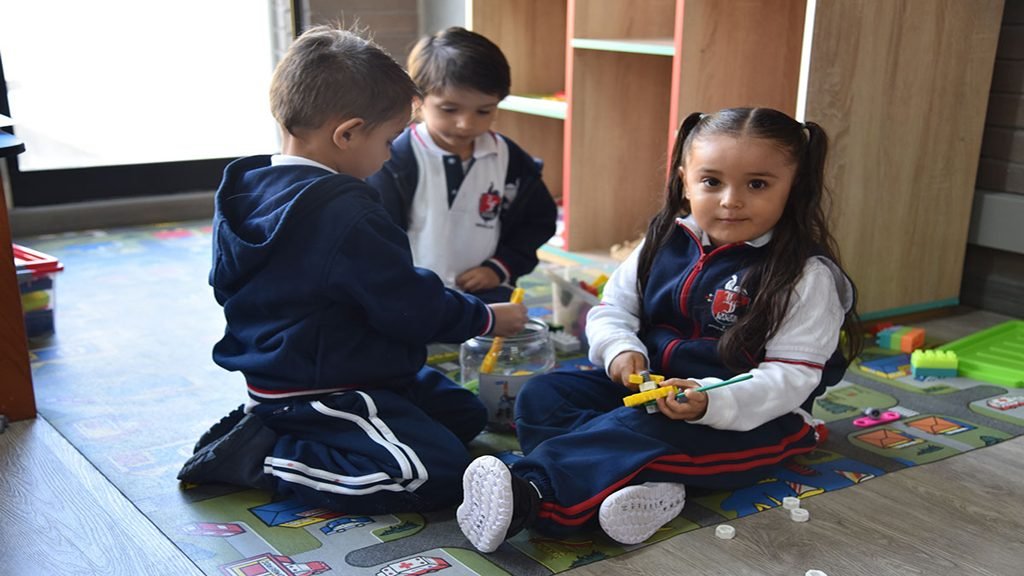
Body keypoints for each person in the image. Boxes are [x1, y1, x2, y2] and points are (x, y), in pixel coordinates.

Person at [456, 107, 864, 552]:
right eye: (712, 182)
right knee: (544, 396)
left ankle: (534, 497)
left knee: (635, 429)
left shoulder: (807, 276)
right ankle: (637, 489)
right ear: (685, 180)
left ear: (795, 188)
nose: (731, 200)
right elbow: (613, 309)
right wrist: (619, 350)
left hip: (755, 420)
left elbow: (791, 377)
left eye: (758, 184)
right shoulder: (664, 239)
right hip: (651, 393)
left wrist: (712, 399)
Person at [176, 25, 528, 515]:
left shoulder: (251, 184)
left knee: (463, 414)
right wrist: (486, 318)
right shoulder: (345, 213)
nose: (390, 154)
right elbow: (408, 305)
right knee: (435, 474)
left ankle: (277, 421)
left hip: (337, 366)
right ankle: (267, 456)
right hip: (324, 388)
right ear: (346, 134)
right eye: (388, 140)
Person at [366, 27, 558, 304]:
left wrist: (500, 267)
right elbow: (376, 237)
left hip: (483, 290)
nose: (466, 124)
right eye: (449, 109)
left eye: (484, 111)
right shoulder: (395, 159)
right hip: (410, 292)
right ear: (417, 101)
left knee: (513, 333)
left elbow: (538, 221)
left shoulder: (509, 159)